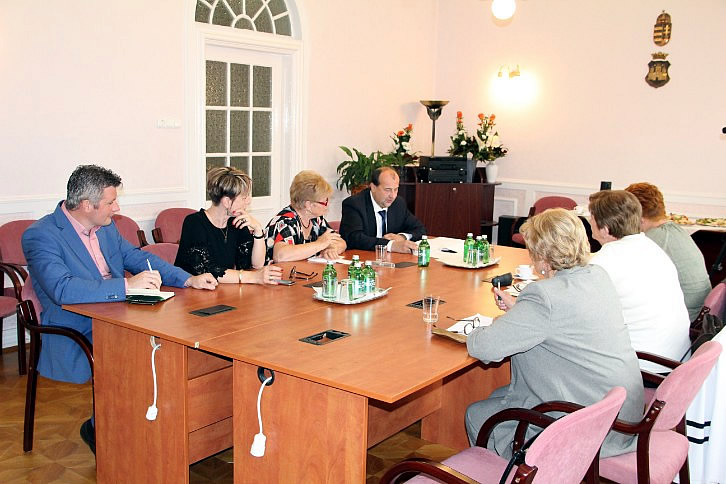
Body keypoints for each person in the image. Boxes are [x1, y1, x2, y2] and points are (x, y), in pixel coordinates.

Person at [22, 164, 218, 453]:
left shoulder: (106, 226)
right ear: (87, 205)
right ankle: (104, 428)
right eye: (111, 202)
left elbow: (136, 258)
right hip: (75, 320)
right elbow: (62, 289)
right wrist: (127, 286)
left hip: (119, 309)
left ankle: (168, 424)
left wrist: (187, 278)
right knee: (141, 350)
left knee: (180, 333)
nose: (117, 208)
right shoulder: (41, 235)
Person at [466, 208, 643, 459]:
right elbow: (564, 319)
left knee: (477, 414)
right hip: (620, 412)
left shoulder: (545, 296)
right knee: (497, 396)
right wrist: (521, 313)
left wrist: (495, 322)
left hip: (588, 424)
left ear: (542, 256)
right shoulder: (597, 275)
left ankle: (511, 472)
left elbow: (483, 347)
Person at [588, 190, 691, 371]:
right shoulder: (651, 247)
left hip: (645, 366)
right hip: (676, 360)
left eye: (592, 217)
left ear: (605, 229)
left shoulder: (606, 260)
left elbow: (577, 311)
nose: (589, 221)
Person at [175, 167, 282, 284]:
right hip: (189, 291)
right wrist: (253, 277)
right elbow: (209, 270)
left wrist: (257, 230)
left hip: (220, 290)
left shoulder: (236, 222)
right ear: (226, 202)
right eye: (244, 197)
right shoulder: (194, 223)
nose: (248, 201)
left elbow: (257, 265)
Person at [625, 182, 711, 321]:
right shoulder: (676, 230)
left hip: (685, 317)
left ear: (638, 218)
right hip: (698, 312)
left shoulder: (652, 240)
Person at [265, 170, 346, 262]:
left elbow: (342, 243)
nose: (328, 205)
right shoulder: (286, 221)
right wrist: (320, 244)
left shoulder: (316, 219)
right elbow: (280, 256)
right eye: (324, 202)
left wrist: (331, 249)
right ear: (308, 205)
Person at [340, 166, 425, 253]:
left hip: (391, 258)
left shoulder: (398, 203)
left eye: (396, 189)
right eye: (387, 190)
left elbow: (419, 229)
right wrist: (391, 245)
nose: (392, 195)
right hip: (362, 257)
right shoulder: (354, 204)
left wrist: (402, 237)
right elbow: (354, 238)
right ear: (373, 187)